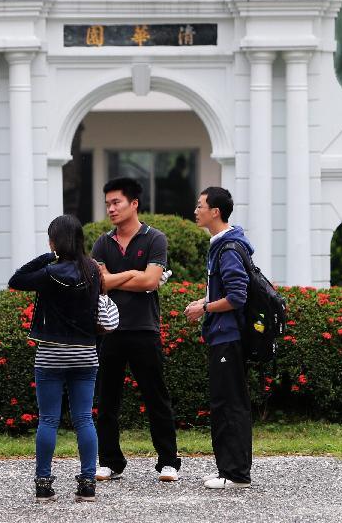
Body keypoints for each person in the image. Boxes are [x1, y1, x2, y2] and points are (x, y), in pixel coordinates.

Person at [9, 214, 118, 503]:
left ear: (55, 241)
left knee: (48, 420)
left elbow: (16, 280)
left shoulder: (50, 272)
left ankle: (43, 483)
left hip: (51, 355)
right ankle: (87, 484)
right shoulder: (94, 271)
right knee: (84, 419)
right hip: (85, 353)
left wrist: (48, 256)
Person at [91, 177, 181, 482]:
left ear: (134, 204)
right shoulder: (103, 242)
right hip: (110, 331)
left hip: (144, 329)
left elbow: (151, 281)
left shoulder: (155, 239)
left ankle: (168, 461)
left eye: (116, 202)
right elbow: (98, 283)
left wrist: (117, 277)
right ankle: (110, 462)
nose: (111, 209)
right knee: (106, 401)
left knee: (156, 398)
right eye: (108, 204)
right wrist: (132, 273)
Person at [184, 186, 253, 489]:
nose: (196, 211)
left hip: (228, 336)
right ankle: (228, 469)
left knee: (229, 404)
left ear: (215, 212)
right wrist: (205, 303)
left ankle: (235, 474)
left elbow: (237, 296)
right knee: (224, 402)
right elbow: (226, 291)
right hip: (223, 335)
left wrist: (206, 309)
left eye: (200, 206)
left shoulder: (227, 248)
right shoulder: (221, 245)